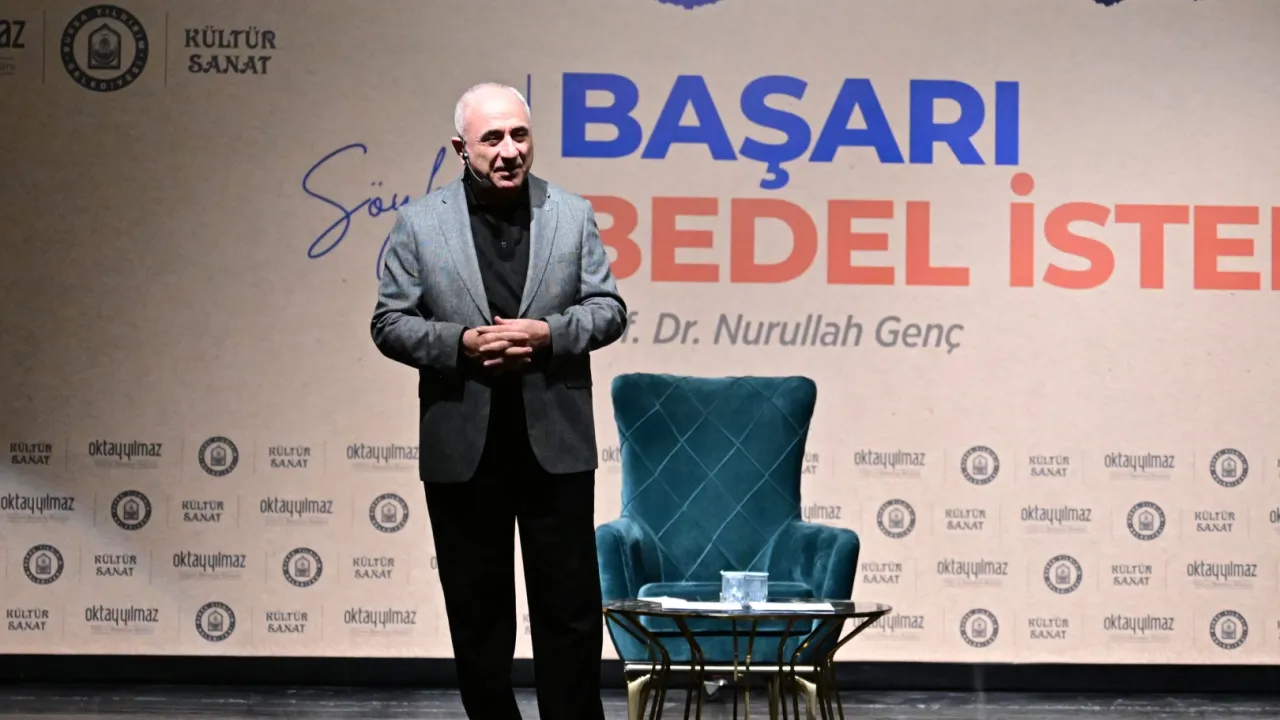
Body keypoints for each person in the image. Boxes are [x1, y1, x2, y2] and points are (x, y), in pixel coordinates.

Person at [370, 82, 626, 720]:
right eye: (492, 138)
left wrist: (549, 335)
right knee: (477, 613)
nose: (510, 150)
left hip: (555, 441)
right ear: (462, 148)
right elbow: (389, 323)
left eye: (519, 135)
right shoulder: (420, 223)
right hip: (464, 444)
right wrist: (459, 344)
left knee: (569, 611)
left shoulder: (571, 213)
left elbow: (609, 309)